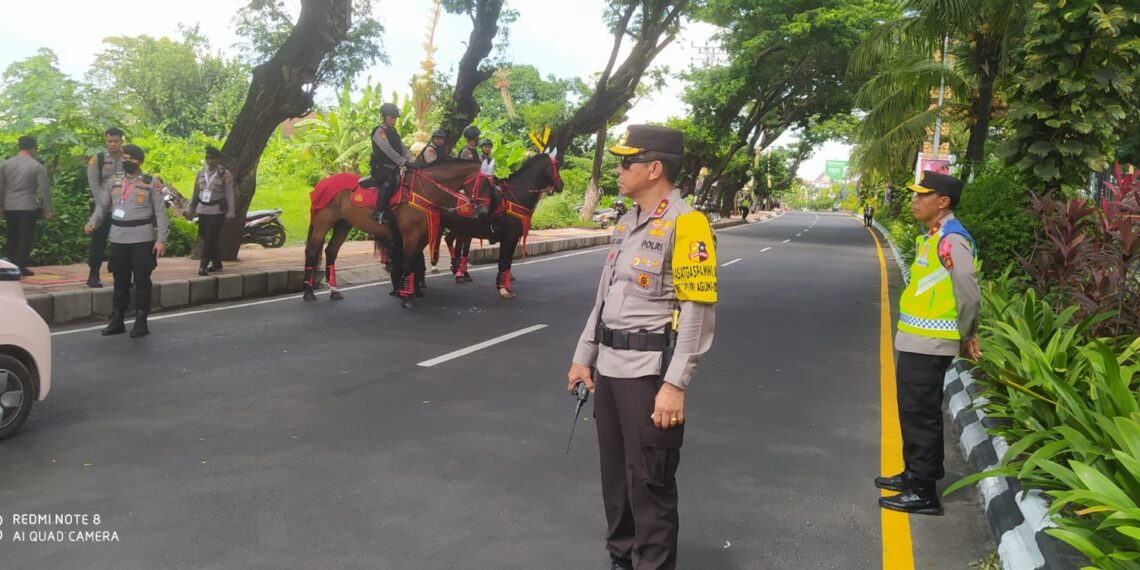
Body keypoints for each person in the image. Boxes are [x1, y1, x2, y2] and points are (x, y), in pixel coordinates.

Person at [567, 125, 717, 570]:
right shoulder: (625, 223)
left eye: (626, 162)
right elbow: (604, 297)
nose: (618, 170)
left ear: (654, 169)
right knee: (614, 477)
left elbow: (697, 311)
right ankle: (621, 557)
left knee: (648, 481)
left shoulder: (688, 224)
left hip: (649, 373)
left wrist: (675, 384)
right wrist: (583, 356)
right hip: (610, 369)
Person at [876, 171, 981, 516]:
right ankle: (913, 474)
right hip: (918, 340)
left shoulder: (952, 239)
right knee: (912, 410)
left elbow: (967, 287)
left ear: (943, 202)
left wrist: (968, 334)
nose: (914, 200)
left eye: (923, 195)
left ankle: (923, 492)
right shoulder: (934, 236)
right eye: (914, 195)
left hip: (932, 342)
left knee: (920, 413)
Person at [84, 144, 168, 338]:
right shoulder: (115, 181)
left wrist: (161, 239)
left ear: (139, 161)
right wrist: (93, 222)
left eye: (130, 158)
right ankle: (117, 320)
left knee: (141, 280)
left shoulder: (150, 182)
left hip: (142, 238)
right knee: (119, 280)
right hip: (118, 237)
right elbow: (103, 205)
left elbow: (161, 213)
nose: (125, 161)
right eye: (124, 157)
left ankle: (140, 320)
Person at [0, 136, 52, 276]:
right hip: (28, 206)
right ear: (33, 148)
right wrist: (48, 209)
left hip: (10, 206)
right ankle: (20, 267)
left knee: (12, 236)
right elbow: (43, 190)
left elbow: (1, 188)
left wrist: (1, 206)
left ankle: (10, 267)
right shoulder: (37, 166)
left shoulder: (6, 164)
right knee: (25, 237)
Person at [86, 127, 126, 288]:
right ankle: (93, 275)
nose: (113, 144)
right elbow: (94, 184)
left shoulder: (128, 157)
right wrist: (104, 204)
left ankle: (120, 273)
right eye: (110, 141)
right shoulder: (98, 159)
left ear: (121, 140)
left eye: (116, 141)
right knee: (98, 242)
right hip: (101, 206)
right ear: (105, 140)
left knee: (122, 241)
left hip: (122, 206)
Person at [189, 146, 235, 276]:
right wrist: (191, 209)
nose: (209, 161)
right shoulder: (201, 172)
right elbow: (196, 193)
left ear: (218, 159)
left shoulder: (225, 174)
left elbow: (229, 194)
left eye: (212, 158)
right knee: (205, 236)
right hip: (203, 209)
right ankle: (217, 261)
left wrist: (230, 213)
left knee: (211, 238)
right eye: (207, 158)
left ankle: (203, 265)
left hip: (217, 210)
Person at [369, 102, 414, 223]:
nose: (394, 120)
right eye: (391, 117)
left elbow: (403, 149)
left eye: (395, 118)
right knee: (390, 182)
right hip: (381, 168)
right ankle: (378, 212)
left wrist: (414, 163)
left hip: (393, 167)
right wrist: (404, 162)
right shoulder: (379, 131)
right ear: (384, 117)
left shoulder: (394, 133)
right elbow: (388, 150)